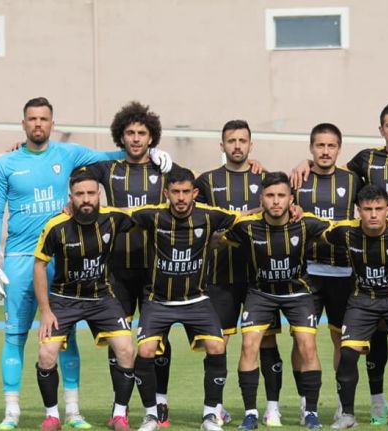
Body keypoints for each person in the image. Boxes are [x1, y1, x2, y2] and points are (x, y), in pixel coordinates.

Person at [0, 96, 172, 430]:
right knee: (15, 336)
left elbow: (113, 156)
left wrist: (154, 154)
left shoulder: (69, 154)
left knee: (64, 338)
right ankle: (11, 412)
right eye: (32, 119)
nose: (38, 124)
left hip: (62, 259)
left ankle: (72, 412)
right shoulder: (5, 164)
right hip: (20, 259)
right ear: (23, 123)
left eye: (44, 119)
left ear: (52, 124)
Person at [291, 102, 388, 424]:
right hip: (362, 264)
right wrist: (307, 163)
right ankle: (373, 401)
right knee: (369, 337)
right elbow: (331, 172)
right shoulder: (364, 161)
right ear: (381, 129)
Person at [84, 101, 176, 427]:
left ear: (152, 138)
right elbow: (73, 170)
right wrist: (21, 148)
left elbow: (198, 186)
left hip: (155, 270)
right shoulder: (107, 169)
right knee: (119, 340)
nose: (136, 139)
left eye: (142, 133)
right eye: (130, 133)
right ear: (120, 137)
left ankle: (160, 404)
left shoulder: (165, 169)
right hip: (117, 271)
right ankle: (119, 407)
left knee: (156, 340)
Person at [130, 167, 237, 431]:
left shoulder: (209, 216)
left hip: (196, 300)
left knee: (217, 347)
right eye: (175, 192)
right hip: (158, 301)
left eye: (185, 192)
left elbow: (244, 217)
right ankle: (151, 415)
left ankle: (210, 415)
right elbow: (119, 213)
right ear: (166, 193)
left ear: (195, 193)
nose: (180, 197)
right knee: (145, 351)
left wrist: (285, 208)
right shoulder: (153, 216)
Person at [222, 172, 331, 430]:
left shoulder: (306, 223)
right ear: (261, 198)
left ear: (291, 199)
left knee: (307, 347)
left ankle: (311, 413)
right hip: (261, 293)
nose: (275, 201)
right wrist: (252, 211)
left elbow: (338, 230)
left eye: (281, 195)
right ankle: (250, 414)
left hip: (298, 293)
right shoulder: (246, 226)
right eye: (270, 195)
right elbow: (217, 234)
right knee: (249, 346)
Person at [194, 119, 284, 427]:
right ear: (222, 146)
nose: (237, 146)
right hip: (220, 277)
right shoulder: (207, 181)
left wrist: (232, 222)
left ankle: (272, 408)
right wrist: (232, 225)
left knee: (266, 343)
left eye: (242, 141)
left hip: (260, 279)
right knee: (217, 344)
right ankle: (215, 407)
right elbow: (200, 226)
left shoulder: (264, 179)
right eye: (231, 141)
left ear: (250, 145)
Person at [33, 169, 136, 431]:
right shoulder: (56, 226)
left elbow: (148, 213)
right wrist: (45, 311)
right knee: (46, 354)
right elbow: (39, 265)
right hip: (63, 299)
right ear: (71, 197)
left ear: (99, 194)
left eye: (91, 193)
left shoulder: (113, 218)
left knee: (126, 350)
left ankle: (119, 415)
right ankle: (52, 417)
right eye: (80, 194)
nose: (86, 199)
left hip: (102, 298)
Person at [324, 184, 388, 429]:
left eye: (379, 209)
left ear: (387, 210)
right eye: (367, 209)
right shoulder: (343, 232)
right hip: (362, 299)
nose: (373, 214)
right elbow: (319, 232)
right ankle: (347, 415)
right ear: (358, 211)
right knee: (348, 354)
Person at [291, 123, 360, 421]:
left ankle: (344, 405)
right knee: (302, 339)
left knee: (342, 342)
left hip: (344, 273)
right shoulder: (297, 179)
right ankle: (306, 402)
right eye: (320, 145)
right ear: (311, 148)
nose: (325, 151)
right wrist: (302, 165)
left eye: (331, 146)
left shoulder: (353, 180)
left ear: (339, 149)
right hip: (306, 274)